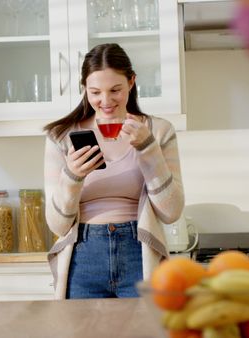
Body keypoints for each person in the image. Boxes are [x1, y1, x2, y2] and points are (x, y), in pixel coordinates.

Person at [43, 43, 184, 299]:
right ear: (84, 88)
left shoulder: (159, 131)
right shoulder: (62, 137)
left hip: (139, 253)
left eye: (115, 90)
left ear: (131, 82)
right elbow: (57, 225)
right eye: (95, 92)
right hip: (83, 257)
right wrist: (73, 177)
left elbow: (171, 212)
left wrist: (148, 148)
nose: (105, 102)